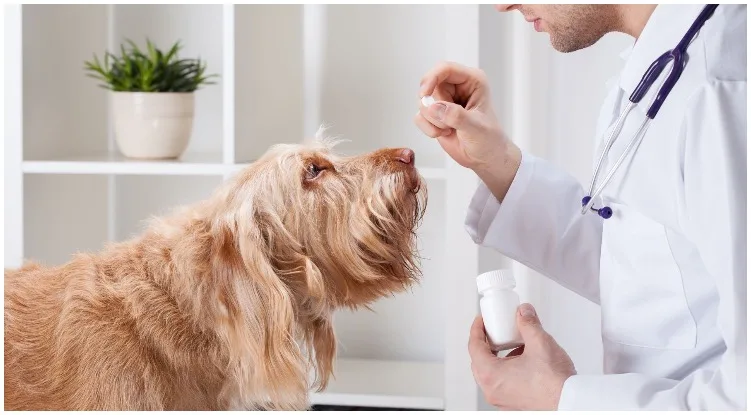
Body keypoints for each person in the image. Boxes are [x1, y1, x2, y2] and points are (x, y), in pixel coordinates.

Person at [415, 4, 746, 411]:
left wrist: (561, 397)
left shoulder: (721, 90)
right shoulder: (663, 65)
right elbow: (652, 264)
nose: (502, 4)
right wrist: (494, 159)